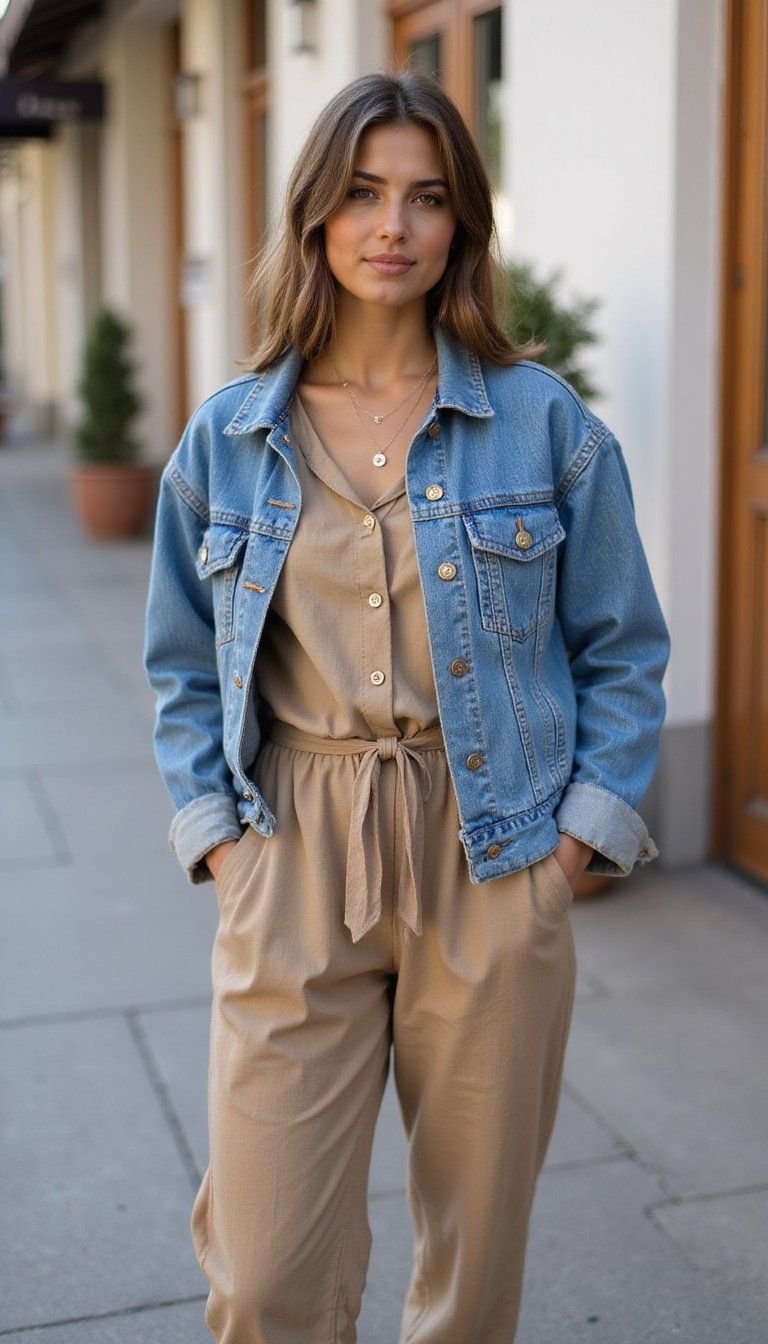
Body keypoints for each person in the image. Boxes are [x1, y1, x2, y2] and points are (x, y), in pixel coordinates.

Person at [143, 67, 670, 1344]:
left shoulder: (544, 427)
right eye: (364, 194)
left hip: (492, 846)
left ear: (462, 222)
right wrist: (223, 845)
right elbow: (179, 663)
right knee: (264, 1272)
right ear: (316, 215)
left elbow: (623, 649)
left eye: (427, 198)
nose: (394, 226)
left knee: (473, 1266)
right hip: (293, 848)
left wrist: (573, 847)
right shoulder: (230, 440)